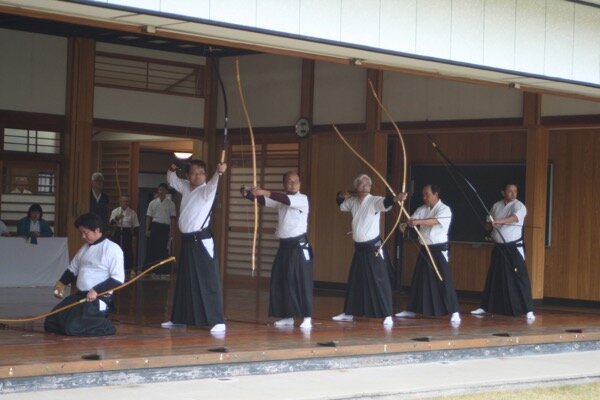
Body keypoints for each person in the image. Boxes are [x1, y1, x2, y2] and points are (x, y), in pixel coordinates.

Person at [161, 159, 227, 334]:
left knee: (208, 280)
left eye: (201, 172)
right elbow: (171, 180)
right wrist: (172, 167)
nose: (198, 176)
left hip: (201, 241)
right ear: (188, 176)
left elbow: (213, 184)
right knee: (184, 280)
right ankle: (179, 319)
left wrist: (218, 172)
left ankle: (217, 320)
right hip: (188, 241)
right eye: (193, 173)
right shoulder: (186, 187)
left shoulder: (207, 190)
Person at [241, 172, 314, 329]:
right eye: (288, 182)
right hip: (285, 247)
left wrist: (264, 191)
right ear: (284, 185)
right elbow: (264, 200)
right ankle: (287, 316)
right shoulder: (280, 201)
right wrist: (248, 193)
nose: (292, 184)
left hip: (298, 247)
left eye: (295, 182)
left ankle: (307, 317)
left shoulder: (302, 199)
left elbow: (284, 199)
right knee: (282, 280)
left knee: (301, 281)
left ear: (300, 184)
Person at [332, 174, 405, 327]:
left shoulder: (374, 200)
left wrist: (396, 199)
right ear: (356, 187)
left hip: (373, 248)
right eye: (361, 185)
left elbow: (385, 202)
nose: (364, 187)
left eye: (367, 185)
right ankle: (349, 313)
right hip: (359, 249)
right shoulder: (352, 201)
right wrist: (340, 194)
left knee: (380, 281)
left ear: (370, 187)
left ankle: (387, 314)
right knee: (355, 281)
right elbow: (340, 204)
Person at [44, 212, 124, 336]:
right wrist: (61, 284)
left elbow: (118, 279)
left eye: (85, 233)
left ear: (97, 230)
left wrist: (96, 290)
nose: (82, 236)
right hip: (80, 296)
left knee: (72, 328)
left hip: (97, 299)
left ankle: (106, 326)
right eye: (81, 233)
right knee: (51, 322)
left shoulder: (112, 249)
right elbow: (72, 270)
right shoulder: (84, 249)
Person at [395, 184, 461, 324]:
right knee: (419, 280)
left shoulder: (444, 209)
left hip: (438, 249)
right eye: (423, 194)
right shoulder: (422, 209)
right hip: (425, 248)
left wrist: (416, 222)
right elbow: (411, 219)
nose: (424, 197)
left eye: (427, 194)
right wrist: (404, 225)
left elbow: (434, 221)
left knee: (444, 280)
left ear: (436, 194)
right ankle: (412, 309)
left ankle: (454, 312)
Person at [471, 183, 535, 321]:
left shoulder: (519, 206)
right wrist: (489, 225)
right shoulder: (496, 205)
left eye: (515, 191)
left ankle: (529, 310)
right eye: (510, 191)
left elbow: (515, 218)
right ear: (503, 192)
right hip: (499, 247)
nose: (513, 194)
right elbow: (488, 224)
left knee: (520, 278)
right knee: (493, 278)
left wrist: (500, 221)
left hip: (513, 248)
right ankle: (485, 307)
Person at [145, 183, 177, 275]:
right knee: (152, 249)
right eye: (160, 190)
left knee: (163, 249)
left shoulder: (171, 204)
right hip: (155, 226)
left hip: (165, 228)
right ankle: (150, 271)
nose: (161, 192)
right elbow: (148, 217)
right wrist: (147, 230)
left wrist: (172, 232)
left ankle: (163, 271)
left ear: (166, 192)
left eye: (163, 190)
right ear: (158, 191)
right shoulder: (153, 203)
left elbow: (173, 219)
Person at [109, 196, 140, 278]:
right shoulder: (115, 211)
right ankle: (115, 269)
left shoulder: (132, 213)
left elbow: (136, 226)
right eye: (123, 201)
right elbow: (111, 223)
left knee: (127, 251)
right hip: (118, 231)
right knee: (116, 250)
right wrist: (117, 218)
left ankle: (127, 270)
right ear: (120, 202)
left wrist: (134, 236)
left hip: (127, 232)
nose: (125, 203)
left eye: (127, 201)